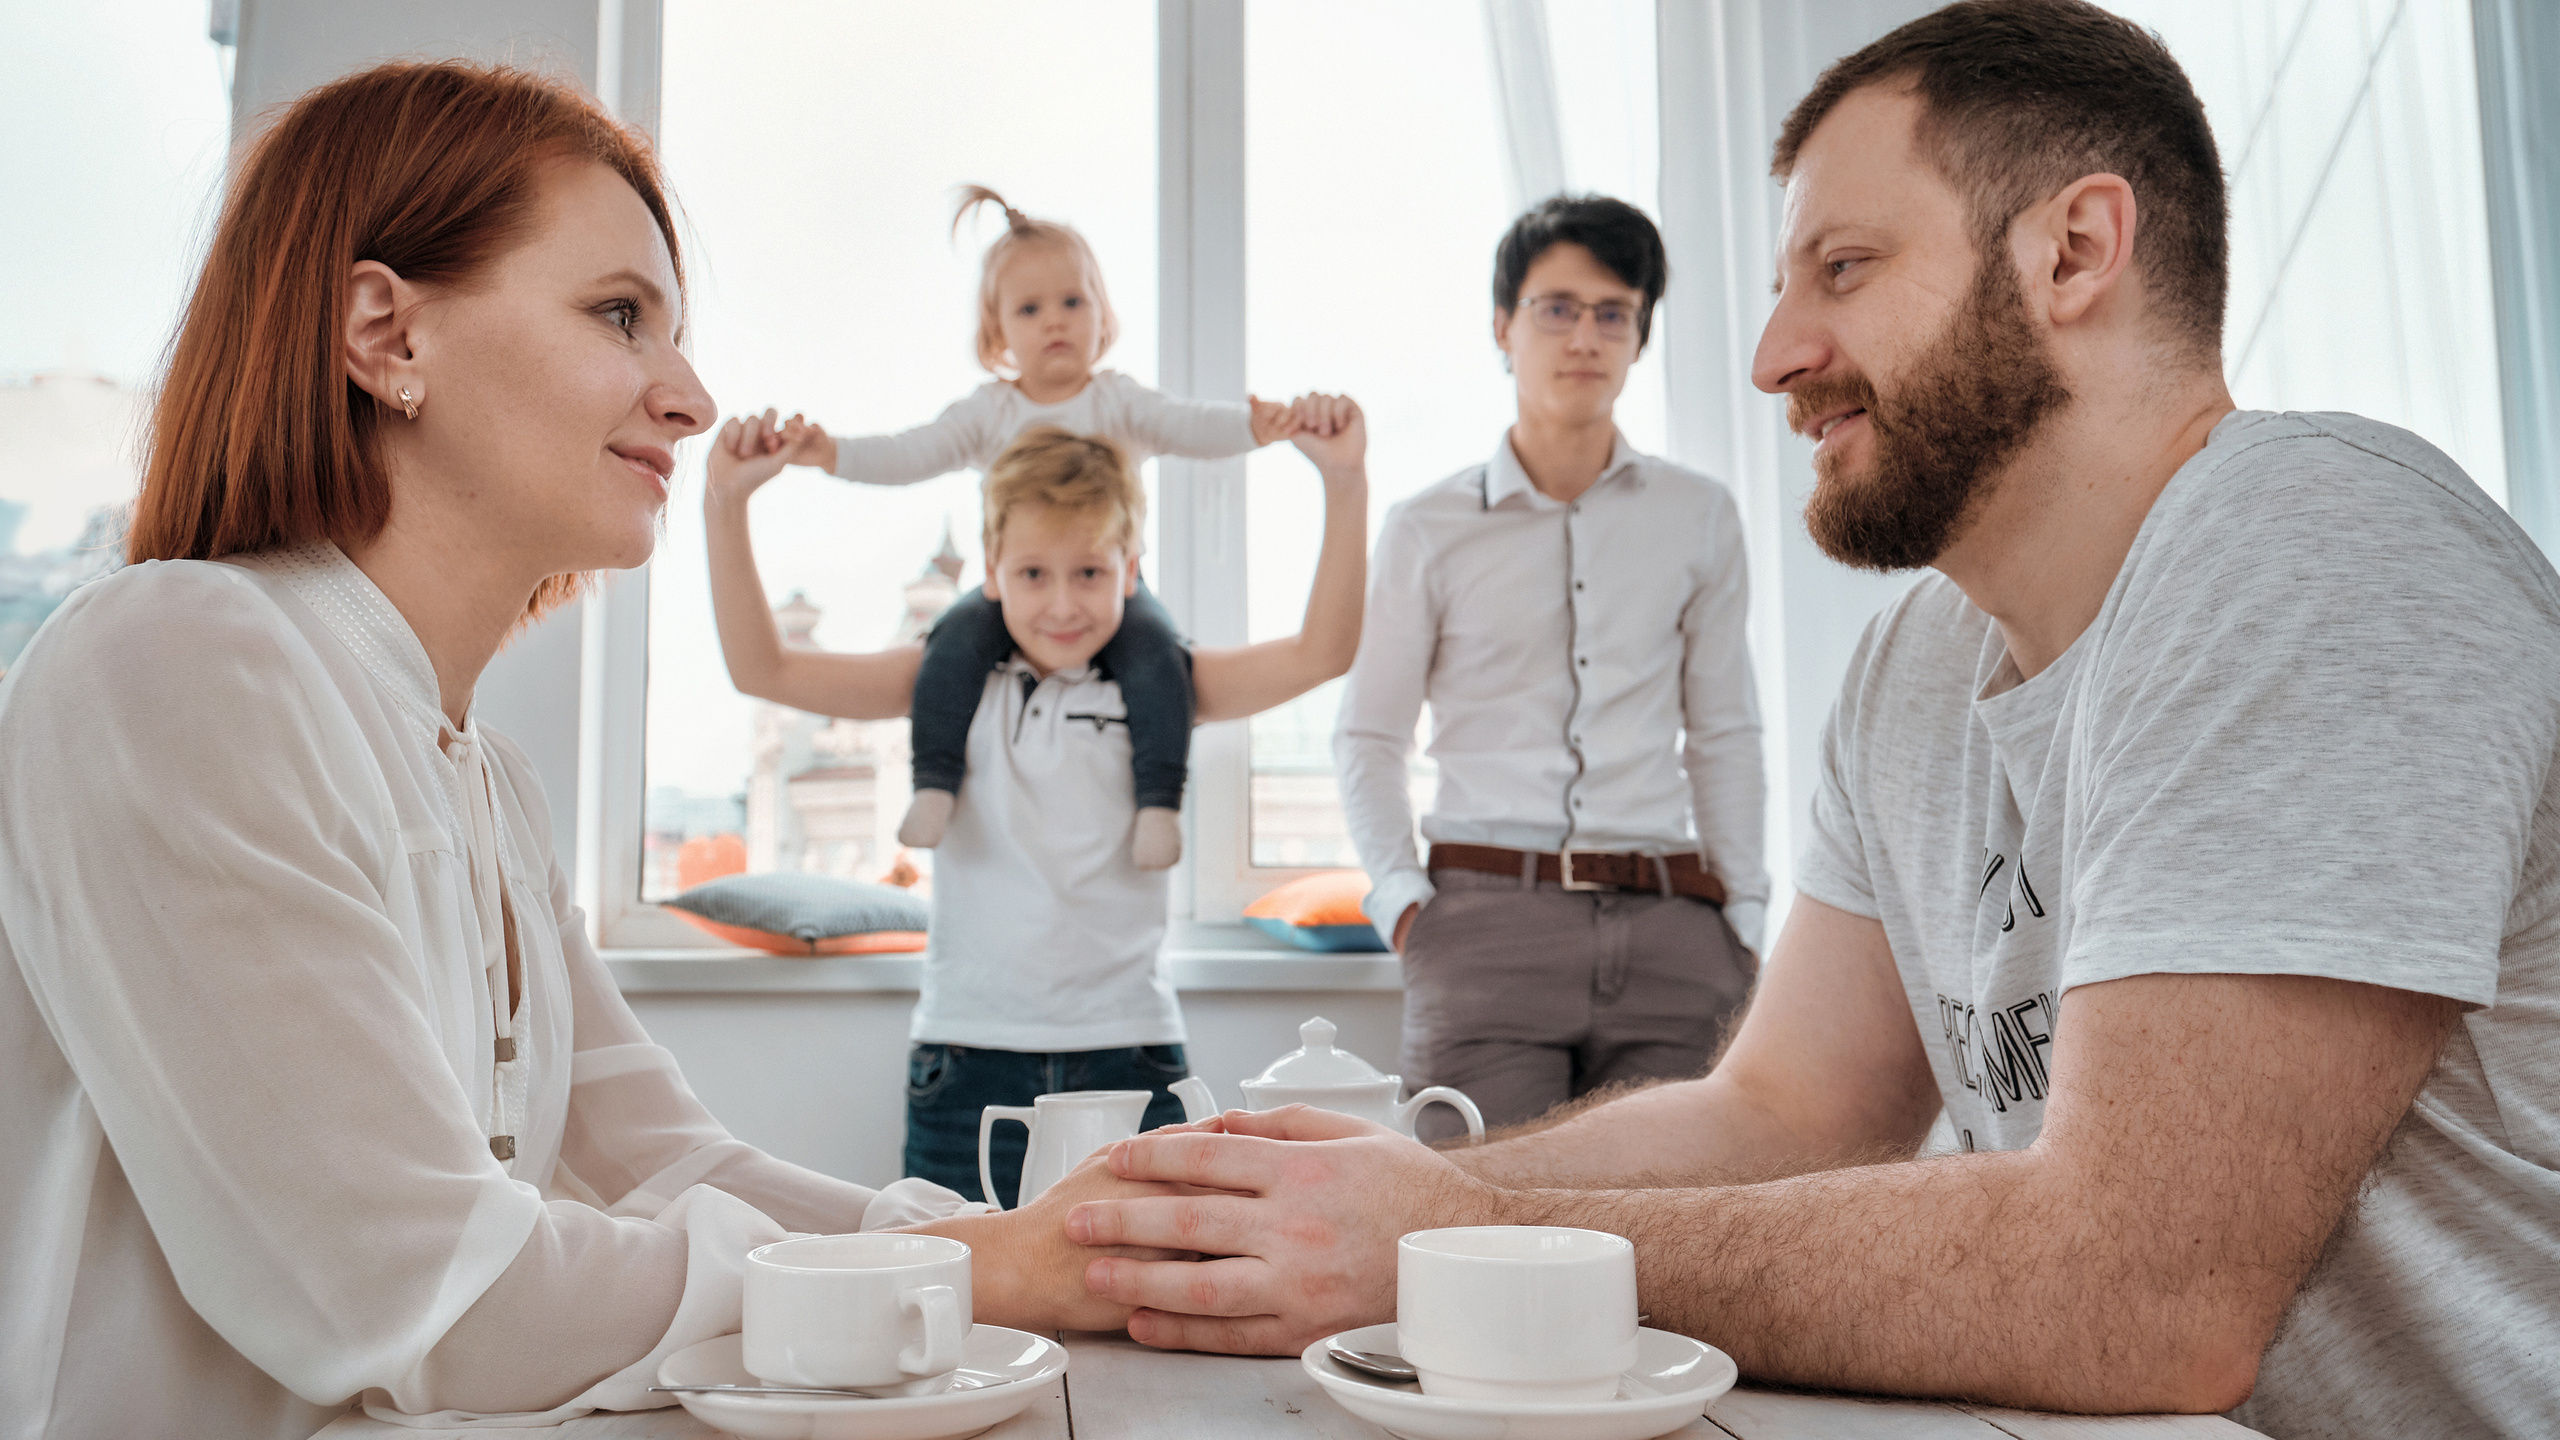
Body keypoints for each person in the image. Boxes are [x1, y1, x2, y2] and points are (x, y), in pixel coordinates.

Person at [1058, 3, 2560, 1434]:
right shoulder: (1916, 664)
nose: (1774, 353)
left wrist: (1461, 1235)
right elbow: (1786, 1109)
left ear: (2076, 250)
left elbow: (2144, 1284)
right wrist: (1388, 1190)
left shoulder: (2317, 547)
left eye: (1841, 268)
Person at [0, 62, 1173, 1440]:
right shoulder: (171, 661)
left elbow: (664, 1163)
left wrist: (1037, 1249)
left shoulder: (491, 783)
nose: (688, 395)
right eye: (622, 315)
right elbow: (447, 1302)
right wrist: (974, 1267)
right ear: (386, 335)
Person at [704, 402, 1369, 1204]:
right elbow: (763, 671)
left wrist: (1343, 480)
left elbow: (1323, 653)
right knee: (961, 1296)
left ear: (1131, 568)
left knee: (1143, 1305)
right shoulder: (945, 682)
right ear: (991, 569)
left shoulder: (1166, 684)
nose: (1061, 605)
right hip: (967, 1055)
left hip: (1132, 1050)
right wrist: (727, 501)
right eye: (1032, 574)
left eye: (1089, 572)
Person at [1335, 194, 1764, 1138]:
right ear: (1504, 326)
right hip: (1486, 926)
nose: (1586, 336)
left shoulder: (1697, 515)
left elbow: (1723, 728)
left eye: (1614, 312)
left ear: (1640, 335)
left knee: (1687, 1242)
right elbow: (1368, 735)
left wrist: (1744, 913)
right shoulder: (1426, 528)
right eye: (1557, 308)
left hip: (1671, 923)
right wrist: (1408, 908)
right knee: (1475, 1230)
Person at [754, 185, 1305, 871]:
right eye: (1030, 308)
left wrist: (1260, 426)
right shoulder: (991, 412)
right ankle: (934, 781)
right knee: (949, 646)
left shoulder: (1120, 402)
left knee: (1161, 657)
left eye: (1073, 302)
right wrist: (829, 452)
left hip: (1113, 590)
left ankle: (1159, 801)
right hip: (1010, 591)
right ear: (997, 334)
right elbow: (908, 451)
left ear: (1102, 313)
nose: (1055, 322)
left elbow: (1191, 424)